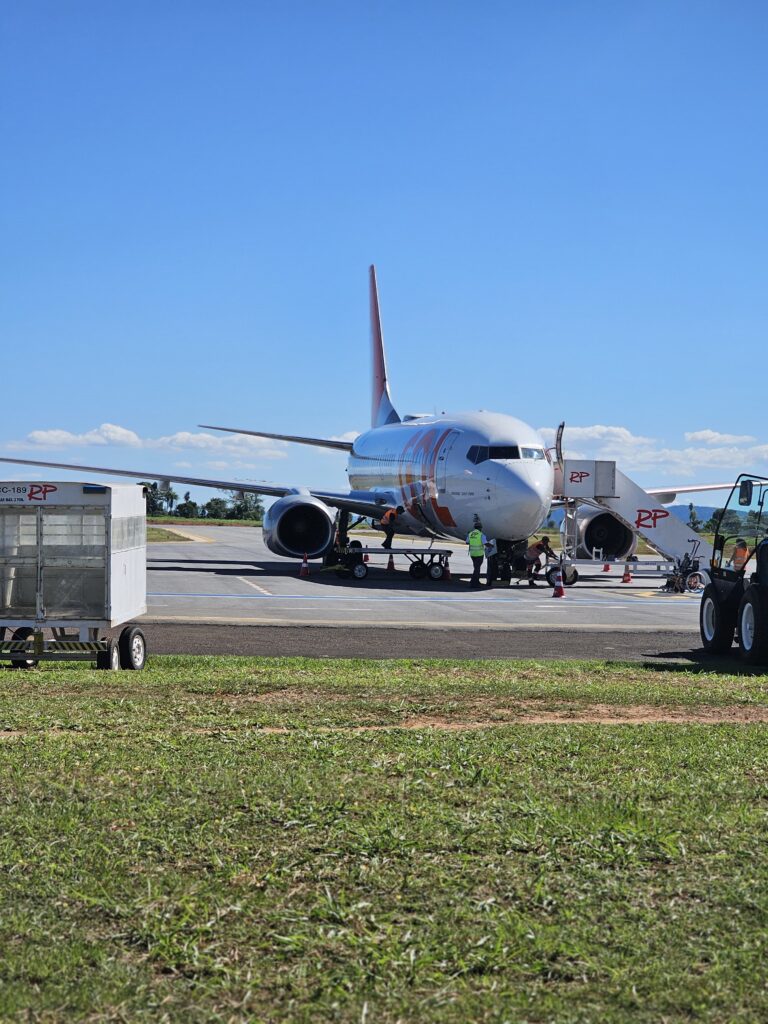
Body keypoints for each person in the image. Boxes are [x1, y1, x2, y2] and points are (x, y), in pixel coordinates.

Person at [466, 520, 488, 588]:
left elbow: (467, 542)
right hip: (479, 554)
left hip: (472, 554)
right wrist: (492, 545)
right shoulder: (481, 534)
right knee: (477, 568)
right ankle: (473, 583)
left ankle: (476, 581)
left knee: (476, 567)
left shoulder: (470, 534)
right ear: (480, 528)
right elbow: (485, 543)